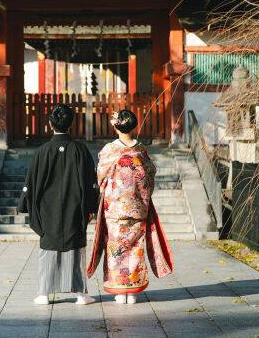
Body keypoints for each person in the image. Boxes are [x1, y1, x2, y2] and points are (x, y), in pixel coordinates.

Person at [87, 109, 173, 303]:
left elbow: (101, 177)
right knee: (135, 248)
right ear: (133, 126)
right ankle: (132, 290)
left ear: (116, 127)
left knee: (116, 248)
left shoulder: (109, 150)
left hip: (115, 209)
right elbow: (149, 176)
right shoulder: (141, 150)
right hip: (138, 208)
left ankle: (119, 291)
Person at [18, 103, 99, 305]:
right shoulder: (80, 150)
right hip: (75, 206)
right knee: (77, 248)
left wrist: (26, 204)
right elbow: (91, 182)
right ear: (71, 124)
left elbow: (31, 182)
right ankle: (81, 294)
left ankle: (43, 294)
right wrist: (91, 207)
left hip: (47, 208)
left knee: (48, 248)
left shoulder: (42, 151)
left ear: (50, 124)